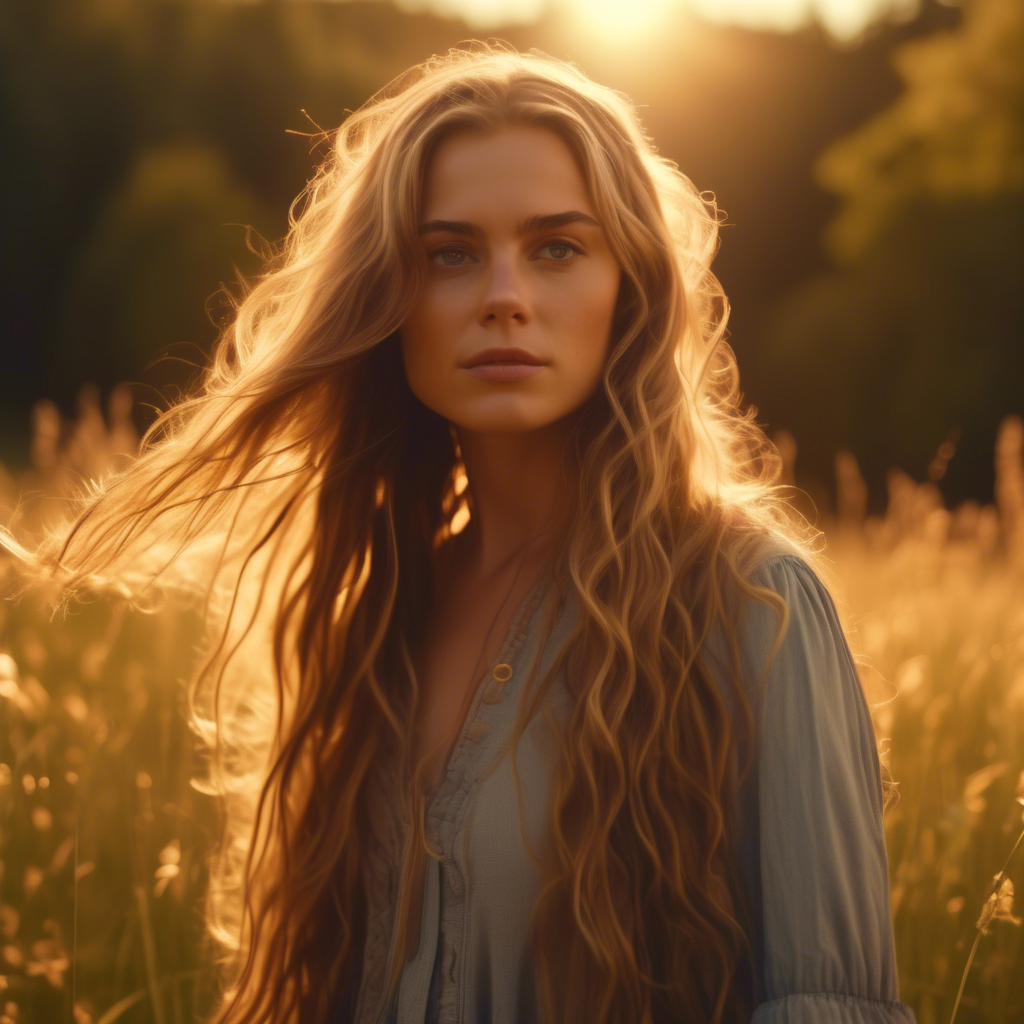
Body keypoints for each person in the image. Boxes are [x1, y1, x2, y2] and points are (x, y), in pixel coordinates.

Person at [1, 43, 917, 1024]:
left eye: (557, 246)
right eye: (450, 254)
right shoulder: (374, 614)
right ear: (390, 299)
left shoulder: (756, 608)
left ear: (631, 289)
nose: (502, 294)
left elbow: (827, 1003)